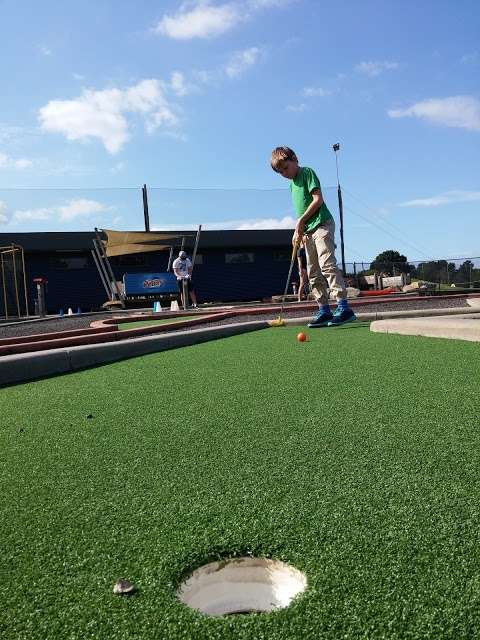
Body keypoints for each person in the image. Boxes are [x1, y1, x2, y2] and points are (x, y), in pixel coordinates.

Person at [271, 146, 356, 327]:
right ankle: (324, 310)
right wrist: (299, 230)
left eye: (285, 168)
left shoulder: (307, 172)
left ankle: (343, 307)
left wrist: (300, 221)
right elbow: (301, 211)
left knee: (327, 264)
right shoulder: (291, 186)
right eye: (280, 172)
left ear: (295, 159)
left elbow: (317, 200)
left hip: (322, 224)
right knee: (312, 272)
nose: (284, 173)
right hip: (308, 231)